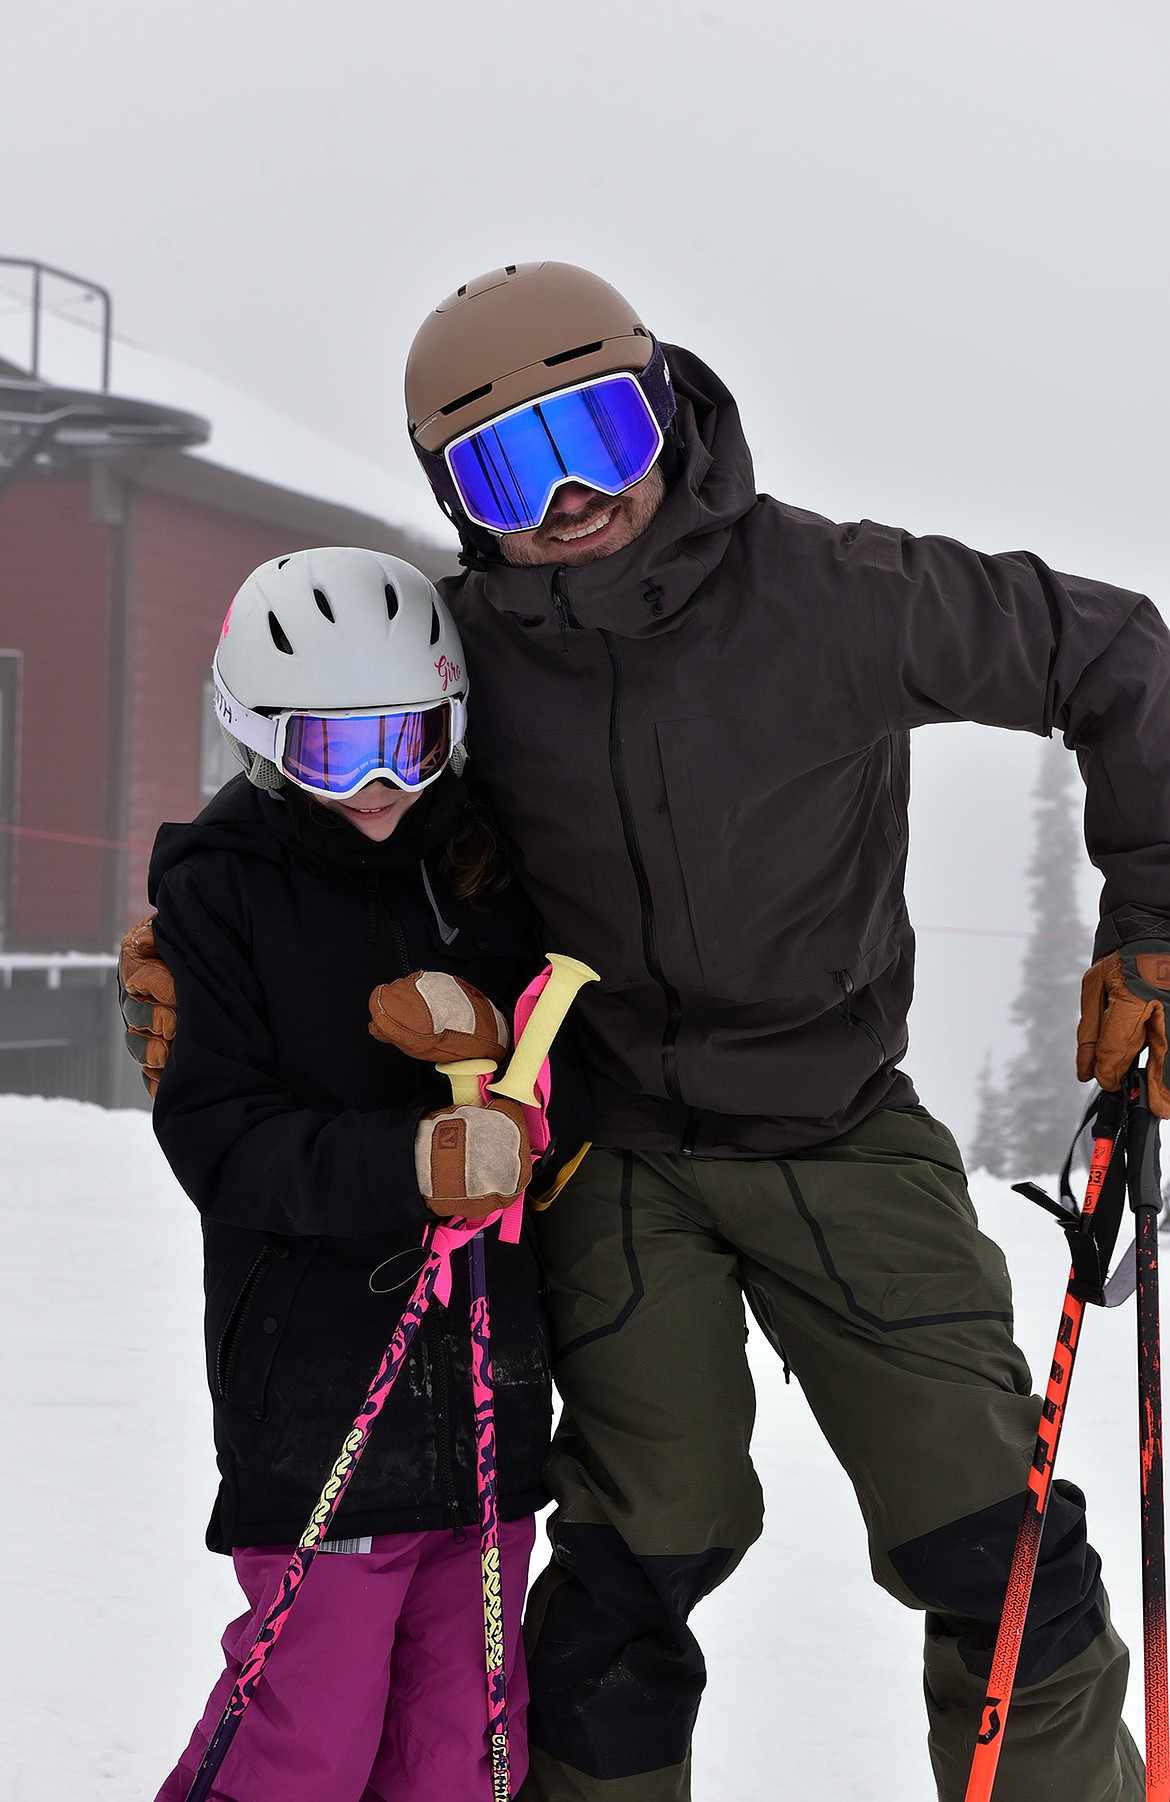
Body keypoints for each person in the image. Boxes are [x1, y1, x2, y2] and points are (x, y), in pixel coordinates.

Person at [125, 264, 1170, 1802]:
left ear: (662, 407)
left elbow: (1118, 655)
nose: (564, 497)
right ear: (454, 495)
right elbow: (330, 779)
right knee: (624, 1575)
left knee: (991, 1540)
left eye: (595, 433)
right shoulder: (469, 644)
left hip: (836, 1120)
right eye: (500, 466)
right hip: (608, 1150)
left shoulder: (840, 593)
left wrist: (1148, 917)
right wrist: (197, 941)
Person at [133, 545, 578, 1802]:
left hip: (485, 1386)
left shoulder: (488, 865)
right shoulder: (225, 888)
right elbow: (223, 1140)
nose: (379, 782)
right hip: (319, 1386)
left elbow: (559, 1064)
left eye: (409, 740)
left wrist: (509, 1077)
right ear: (261, 739)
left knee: (462, 1751)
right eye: (335, 752)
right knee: (308, 1740)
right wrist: (412, 1157)